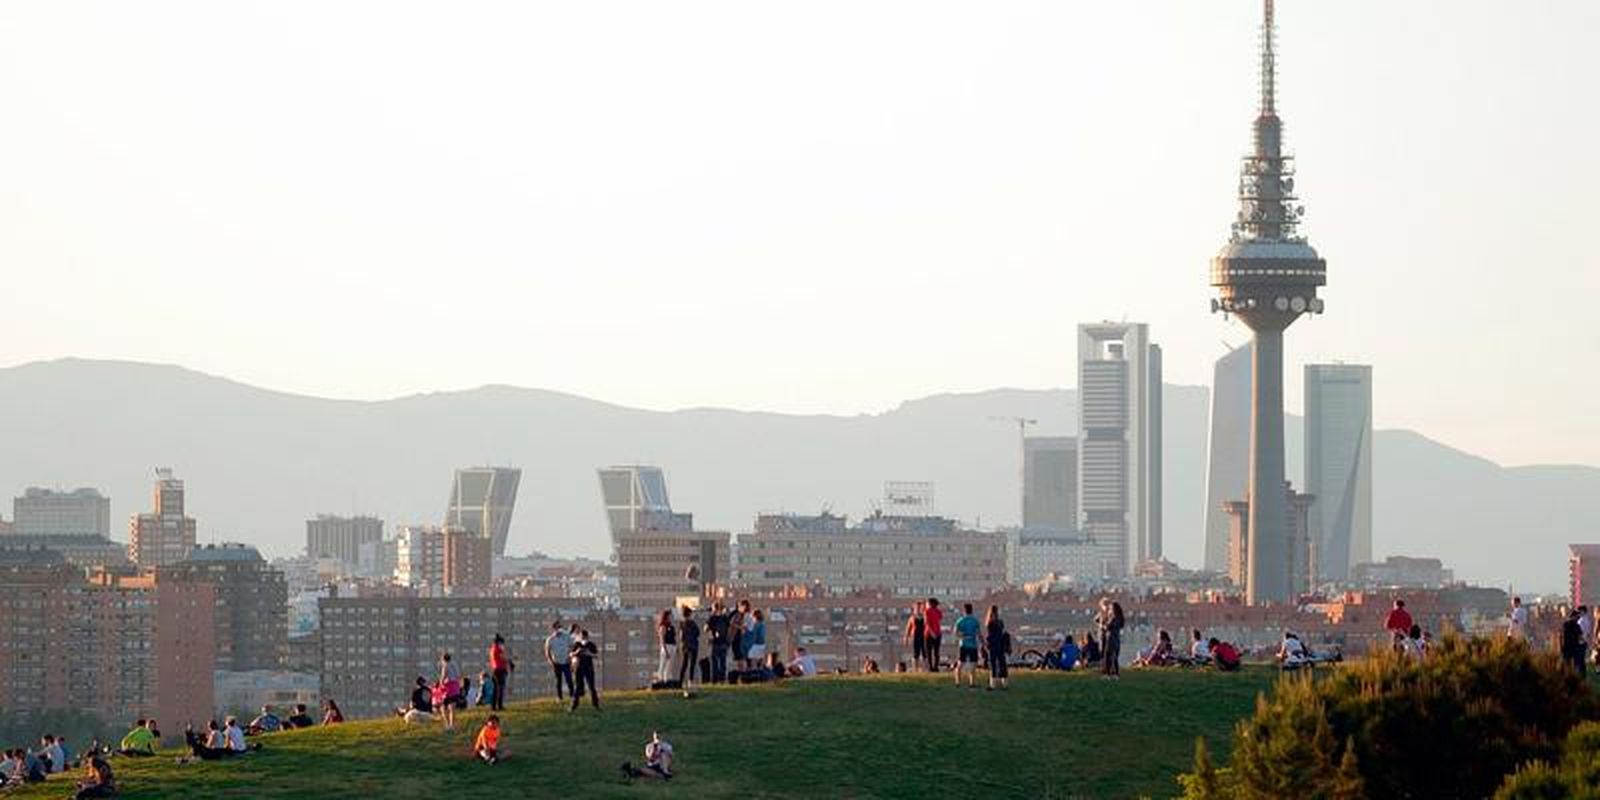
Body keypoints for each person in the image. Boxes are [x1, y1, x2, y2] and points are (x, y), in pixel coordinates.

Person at [570, 627, 601, 711]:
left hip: (588, 668)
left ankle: (596, 705)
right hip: (578, 667)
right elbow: (571, 654)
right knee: (577, 687)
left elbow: (596, 655)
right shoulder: (577, 644)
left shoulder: (591, 645)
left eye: (584, 636)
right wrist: (577, 652)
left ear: (587, 636)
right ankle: (574, 705)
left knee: (592, 687)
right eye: (581, 636)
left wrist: (589, 653)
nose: (583, 638)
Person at [952, 602, 981, 688]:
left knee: (960, 663)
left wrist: (962, 636)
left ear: (964, 611)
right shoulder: (975, 621)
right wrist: (983, 642)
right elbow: (978, 633)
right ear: (971, 610)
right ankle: (972, 683)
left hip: (963, 644)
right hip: (973, 645)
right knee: (973, 664)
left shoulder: (960, 621)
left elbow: (955, 632)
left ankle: (957, 682)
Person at [983, 605, 1010, 690]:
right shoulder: (1000, 622)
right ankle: (1004, 682)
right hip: (1000, 644)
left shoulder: (989, 623)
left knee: (993, 664)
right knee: (1002, 663)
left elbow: (989, 635)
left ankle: (993, 684)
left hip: (992, 645)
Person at [706, 600, 732, 683]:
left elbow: (706, 628)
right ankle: (722, 679)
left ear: (714, 608)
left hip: (715, 643)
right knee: (723, 662)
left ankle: (714, 679)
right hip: (724, 642)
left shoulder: (712, 618)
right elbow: (729, 629)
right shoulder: (725, 618)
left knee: (714, 662)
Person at [1098, 599, 1125, 679]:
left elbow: (1108, 627)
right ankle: (1115, 674)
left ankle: (1107, 674)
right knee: (1115, 657)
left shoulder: (1114, 619)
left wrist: (1102, 625)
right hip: (1117, 639)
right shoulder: (1120, 619)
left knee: (1108, 656)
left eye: (1110, 608)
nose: (1109, 610)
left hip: (1110, 639)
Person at [678, 605, 701, 696]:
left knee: (684, 664)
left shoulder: (681, 623)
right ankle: (690, 681)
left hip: (685, 646)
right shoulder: (692, 623)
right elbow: (698, 633)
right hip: (693, 645)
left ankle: (680, 681)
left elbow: (681, 636)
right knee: (692, 664)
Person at [438, 651, 462, 731]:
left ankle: (447, 724)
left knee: (443, 707)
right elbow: (458, 676)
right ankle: (452, 725)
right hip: (456, 686)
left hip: (448, 687)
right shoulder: (455, 665)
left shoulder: (445, 666)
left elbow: (443, 676)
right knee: (452, 708)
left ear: (443, 659)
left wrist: (440, 683)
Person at [488, 634, 513, 711]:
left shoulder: (492, 649)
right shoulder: (497, 649)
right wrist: (510, 662)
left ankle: (494, 706)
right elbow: (503, 658)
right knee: (500, 689)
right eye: (501, 643)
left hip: (495, 670)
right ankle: (499, 705)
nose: (502, 645)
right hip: (500, 670)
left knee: (496, 689)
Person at [655, 608, 679, 684]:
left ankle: (668, 679)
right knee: (663, 664)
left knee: (669, 666)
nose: (671, 618)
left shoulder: (671, 627)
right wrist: (665, 650)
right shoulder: (663, 627)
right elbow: (662, 639)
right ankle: (660, 680)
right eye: (670, 616)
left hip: (672, 646)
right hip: (666, 647)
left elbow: (674, 637)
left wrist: (676, 647)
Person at [903, 601, 927, 673]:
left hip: (923, 637)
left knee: (924, 654)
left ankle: (924, 669)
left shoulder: (924, 617)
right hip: (915, 637)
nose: (918, 608)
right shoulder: (912, 618)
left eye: (920, 607)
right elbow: (908, 629)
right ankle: (915, 669)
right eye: (917, 607)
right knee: (915, 654)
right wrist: (906, 638)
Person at [1562, 608, 1587, 674]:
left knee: (1569, 664)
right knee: (1573, 664)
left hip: (1569, 647)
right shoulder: (1574, 626)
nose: (1578, 619)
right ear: (1574, 617)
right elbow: (1581, 637)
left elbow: (1580, 636)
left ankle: (1570, 675)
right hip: (1571, 647)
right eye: (1577, 617)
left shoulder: (1567, 625)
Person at [924, 598, 945, 673]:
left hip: (929, 634)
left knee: (929, 651)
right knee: (936, 651)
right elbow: (940, 618)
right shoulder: (938, 611)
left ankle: (930, 667)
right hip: (938, 633)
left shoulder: (927, 611)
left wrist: (931, 633)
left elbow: (927, 623)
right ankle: (935, 667)